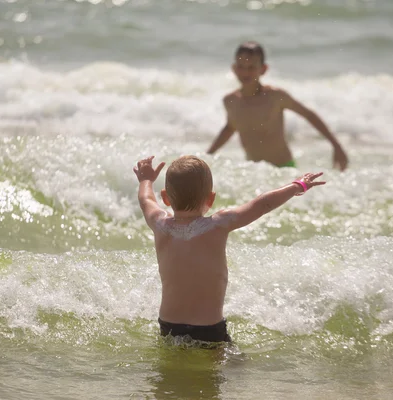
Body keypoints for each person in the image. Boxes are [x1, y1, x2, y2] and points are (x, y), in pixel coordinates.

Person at [133, 154, 325, 343]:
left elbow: (146, 200)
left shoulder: (159, 223)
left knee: (171, 374)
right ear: (211, 199)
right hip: (209, 329)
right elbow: (263, 204)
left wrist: (146, 180)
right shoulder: (218, 224)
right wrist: (297, 186)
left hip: (169, 326)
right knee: (228, 370)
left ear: (166, 198)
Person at [207, 41, 349, 171]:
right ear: (234, 68)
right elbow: (231, 127)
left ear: (263, 69)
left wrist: (336, 145)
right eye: (241, 66)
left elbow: (308, 115)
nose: (245, 72)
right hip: (255, 172)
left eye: (251, 67)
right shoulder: (230, 101)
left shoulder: (275, 96)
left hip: (284, 170)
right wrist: (208, 155)